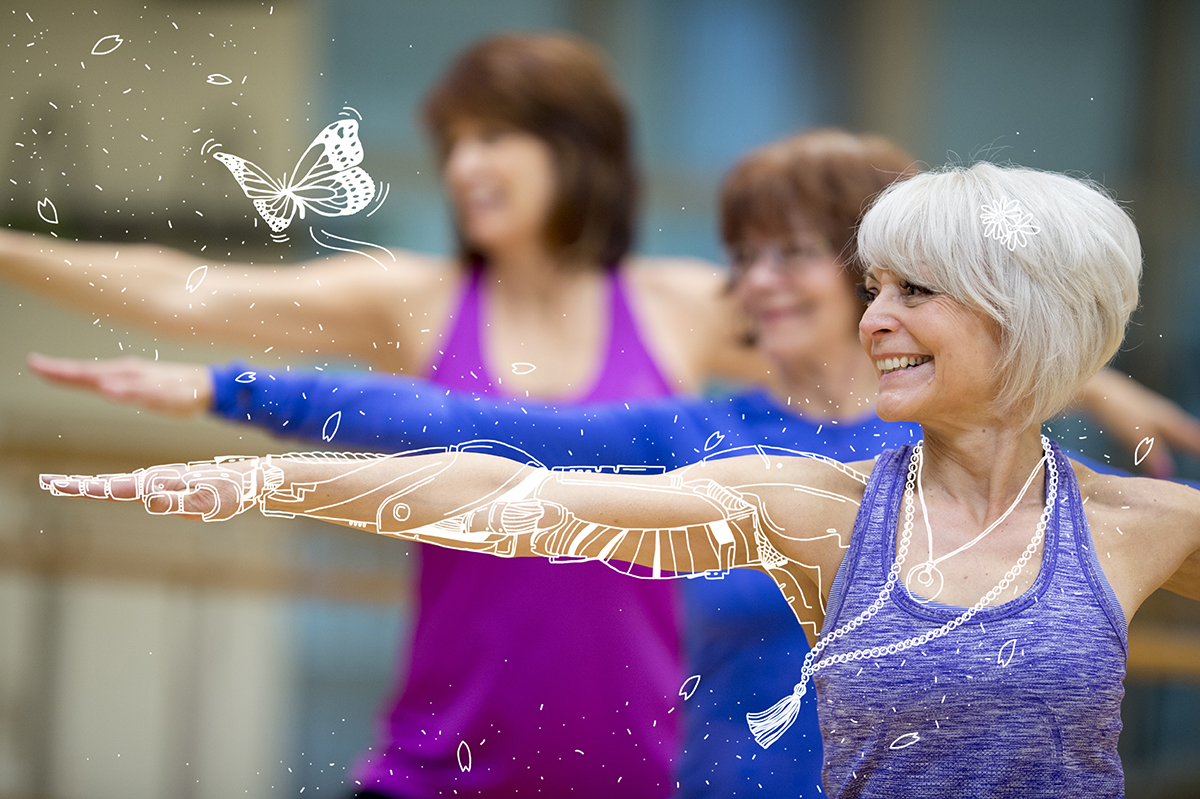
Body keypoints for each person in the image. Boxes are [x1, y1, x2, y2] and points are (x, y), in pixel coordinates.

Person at [31, 138, 1200, 795]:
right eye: (872, 282)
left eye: (905, 288)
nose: (868, 313)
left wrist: (1093, 382)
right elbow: (492, 476)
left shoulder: (1147, 522)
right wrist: (253, 447)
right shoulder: (793, 494)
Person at [4, 33, 773, 798]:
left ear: (577, 148)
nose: (464, 165)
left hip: (633, 774)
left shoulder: (679, 304)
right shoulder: (415, 301)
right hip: (436, 770)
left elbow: (847, 353)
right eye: (455, 143)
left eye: (494, 135)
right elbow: (187, 289)